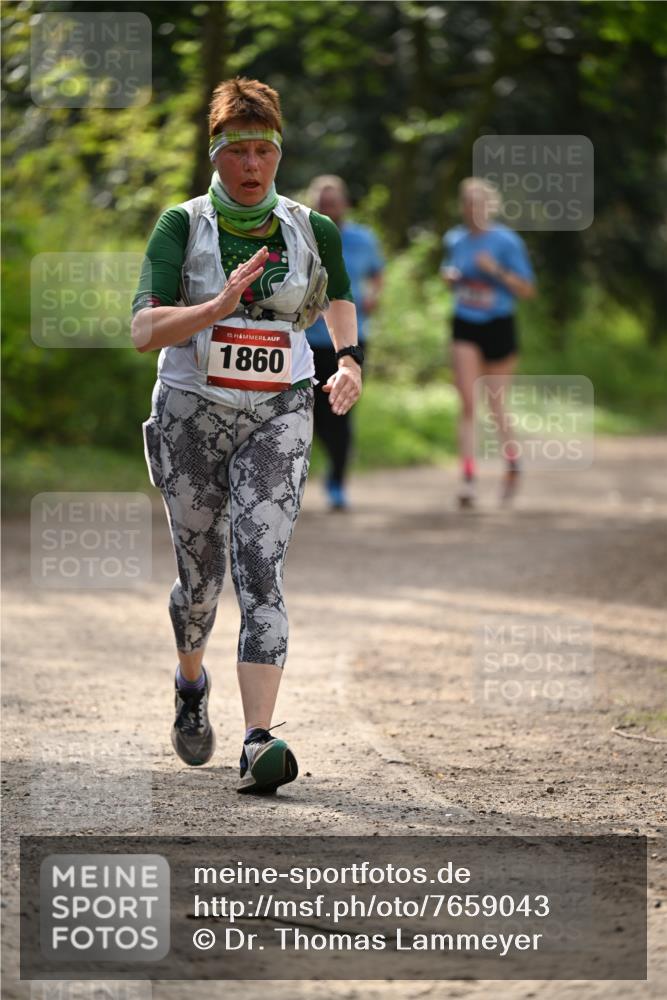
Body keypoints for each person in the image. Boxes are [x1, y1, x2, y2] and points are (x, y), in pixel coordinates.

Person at [131, 78, 363, 793]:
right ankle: (191, 680)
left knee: (260, 567)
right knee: (200, 581)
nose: (253, 164)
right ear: (218, 153)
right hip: (190, 410)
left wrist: (348, 360)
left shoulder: (309, 229)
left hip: (278, 410)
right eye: (241, 151)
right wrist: (218, 303)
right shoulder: (182, 224)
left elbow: (339, 302)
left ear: (278, 153)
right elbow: (144, 331)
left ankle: (258, 737)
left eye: (266, 150)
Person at [441, 178, 536, 508]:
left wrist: (494, 269)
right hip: (465, 323)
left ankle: (512, 464)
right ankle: (468, 476)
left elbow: (526, 289)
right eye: (467, 203)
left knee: (496, 406)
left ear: (490, 206)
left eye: (479, 203)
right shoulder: (454, 238)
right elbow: (449, 270)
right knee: (468, 403)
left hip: (499, 325)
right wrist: (450, 277)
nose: (472, 209)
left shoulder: (507, 241)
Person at [305, 176, 384, 510]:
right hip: (305, 339)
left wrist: (374, 296)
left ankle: (337, 481)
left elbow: (378, 274)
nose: (328, 208)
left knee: (339, 412)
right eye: (322, 203)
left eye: (333, 203)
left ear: (345, 205)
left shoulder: (364, 239)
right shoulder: (301, 234)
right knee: (304, 412)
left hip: (348, 342)